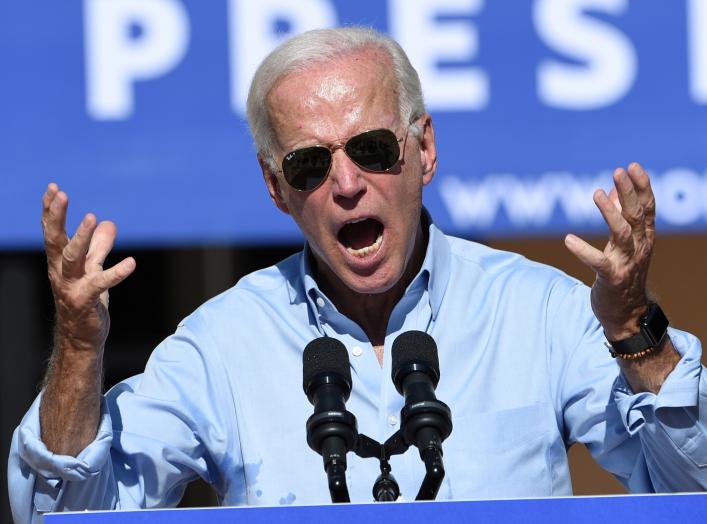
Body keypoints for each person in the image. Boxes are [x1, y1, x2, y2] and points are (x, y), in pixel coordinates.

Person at [8, 26, 707, 523]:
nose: (346, 184)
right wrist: (76, 347)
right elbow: (60, 515)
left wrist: (630, 330)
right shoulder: (220, 344)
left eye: (372, 149)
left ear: (423, 150)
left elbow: (695, 485)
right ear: (275, 187)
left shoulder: (538, 311)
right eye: (309, 164)